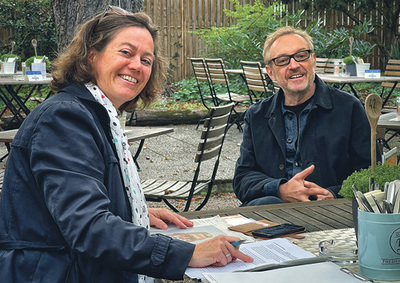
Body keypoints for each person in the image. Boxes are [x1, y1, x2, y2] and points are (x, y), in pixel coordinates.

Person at [0, 7, 252, 282]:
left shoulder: (98, 115)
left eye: (147, 59)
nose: (137, 66)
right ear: (91, 55)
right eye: (126, 52)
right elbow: (88, 227)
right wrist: (186, 254)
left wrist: (133, 211)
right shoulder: (64, 118)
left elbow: (77, 200)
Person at [233, 26, 374, 206]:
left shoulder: (349, 108)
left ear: (313, 61)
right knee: (266, 203)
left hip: (330, 214)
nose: (294, 65)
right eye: (283, 60)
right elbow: (242, 179)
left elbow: (370, 172)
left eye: (301, 56)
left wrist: (334, 195)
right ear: (270, 72)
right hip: (268, 216)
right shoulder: (257, 116)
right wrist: (279, 189)